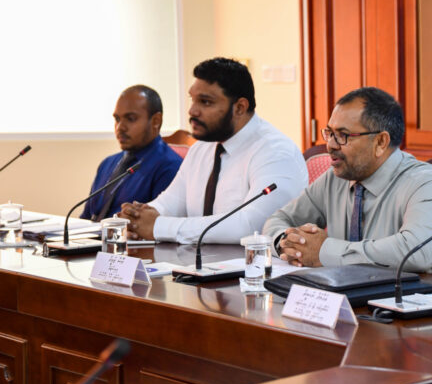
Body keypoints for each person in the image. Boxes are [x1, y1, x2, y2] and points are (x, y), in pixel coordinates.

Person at [262, 87, 432, 273]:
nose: (330, 145)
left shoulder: (426, 184)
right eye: (329, 133)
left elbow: (417, 252)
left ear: (381, 142)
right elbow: (278, 220)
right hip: (345, 294)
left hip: (419, 297)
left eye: (343, 135)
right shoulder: (336, 178)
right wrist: (287, 244)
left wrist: (325, 251)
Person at [120, 57, 308, 244]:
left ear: (240, 108)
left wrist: (159, 226)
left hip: (253, 263)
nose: (192, 111)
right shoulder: (202, 148)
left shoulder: (276, 152)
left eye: (205, 102)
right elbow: (169, 203)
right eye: (193, 100)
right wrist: (136, 219)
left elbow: (252, 226)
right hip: (196, 260)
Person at [81, 85, 181, 221]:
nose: (120, 127)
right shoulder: (107, 163)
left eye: (131, 118)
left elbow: (157, 226)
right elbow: (86, 218)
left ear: (156, 121)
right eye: (117, 119)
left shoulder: (170, 167)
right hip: (94, 234)